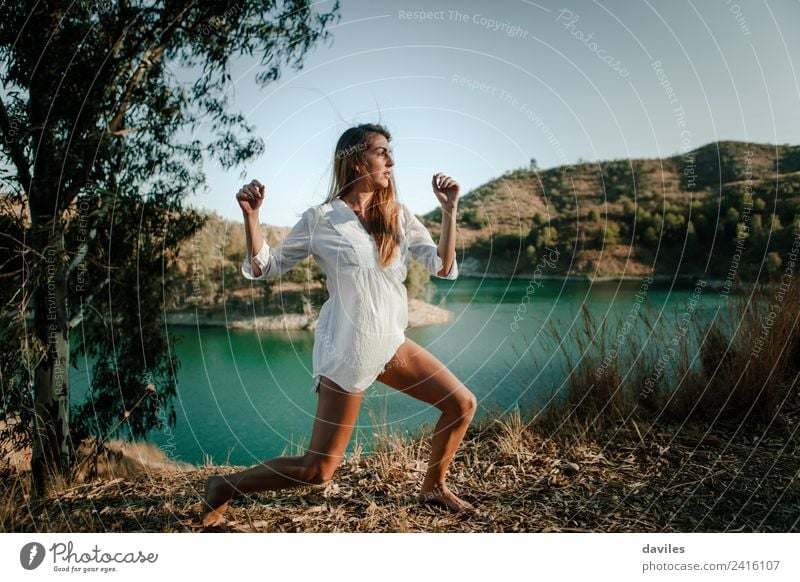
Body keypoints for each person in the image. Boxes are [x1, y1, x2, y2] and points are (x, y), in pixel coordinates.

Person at [200, 123, 478, 527]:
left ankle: (433, 486)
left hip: (391, 343)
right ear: (355, 159)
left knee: (460, 405)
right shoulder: (320, 220)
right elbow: (266, 267)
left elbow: (441, 265)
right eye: (382, 152)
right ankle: (224, 485)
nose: (392, 161)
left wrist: (450, 211)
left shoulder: (397, 215)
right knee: (318, 471)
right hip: (347, 349)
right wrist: (252, 219)